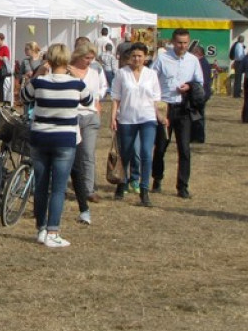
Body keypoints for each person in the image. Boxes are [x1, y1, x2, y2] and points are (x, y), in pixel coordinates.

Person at [21, 43, 93, 249]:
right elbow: (88, 100)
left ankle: (41, 228)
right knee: (58, 188)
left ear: (49, 60)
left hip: (40, 138)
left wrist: (39, 73)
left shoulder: (41, 82)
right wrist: (75, 76)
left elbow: (24, 96)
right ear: (68, 61)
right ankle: (53, 230)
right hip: (64, 140)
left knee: (41, 186)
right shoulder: (76, 85)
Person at [150, 28, 204, 199]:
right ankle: (157, 178)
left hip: (183, 108)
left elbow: (199, 81)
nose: (182, 46)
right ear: (173, 42)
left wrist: (189, 87)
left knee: (184, 149)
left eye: (185, 43)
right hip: (165, 107)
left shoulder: (193, 60)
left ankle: (182, 185)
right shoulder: (162, 59)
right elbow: (151, 78)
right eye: (179, 43)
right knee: (160, 147)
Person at [110, 42, 163, 206]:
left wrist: (161, 116)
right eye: (134, 56)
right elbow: (116, 97)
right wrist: (113, 117)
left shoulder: (151, 74)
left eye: (140, 56)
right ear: (129, 57)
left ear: (145, 57)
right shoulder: (121, 73)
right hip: (127, 117)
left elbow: (156, 99)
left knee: (146, 153)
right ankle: (121, 182)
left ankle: (144, 189)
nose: (137, 59)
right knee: (125, 153)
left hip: (147, 118)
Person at [69, 43, 107, 216]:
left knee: (88, 153)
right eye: (87, 58)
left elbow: (97, 93)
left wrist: (97, 107)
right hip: (73, 114)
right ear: (78, 56)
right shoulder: (68, 71)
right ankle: (63, 186)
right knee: (71, 153)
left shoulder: (94, 73)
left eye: (91, 59)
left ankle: (89, 189)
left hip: (90, 115)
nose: (89, 61)